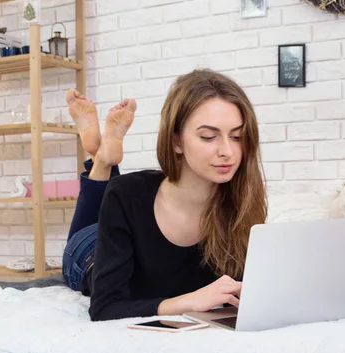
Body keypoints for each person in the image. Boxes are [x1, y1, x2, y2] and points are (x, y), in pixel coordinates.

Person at [62, 69, 267, 321]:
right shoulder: (127, 193)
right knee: (84, 240)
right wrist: (188, 301)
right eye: (208, 137)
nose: (228, 151)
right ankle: (102, 160)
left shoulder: (244, 201)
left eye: (237, 137)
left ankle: (101, 154)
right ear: (176, 142)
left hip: (120, 226)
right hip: (88, 255)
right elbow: (105, 308)